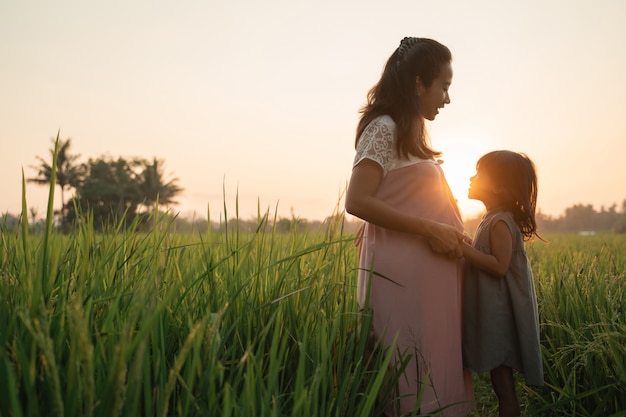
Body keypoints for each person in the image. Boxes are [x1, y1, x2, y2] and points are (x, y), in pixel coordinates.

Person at [346, 37, 474, 416]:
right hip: (403, 282)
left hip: (427, 280)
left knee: (432, 370)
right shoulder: (383, 127)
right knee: (409, 378)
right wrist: (430, 229)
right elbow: (357, 200)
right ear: (419, 83)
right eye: (444, 87)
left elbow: (390, 196)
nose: (447, 99)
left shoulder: (411, 132)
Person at [461, 150, 544, 417]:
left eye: (479, 173)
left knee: (503, 385)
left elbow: (499, 265)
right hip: (495, 308)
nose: (472, 178)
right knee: (500, 382)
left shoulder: (499, 222)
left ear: (498, 185)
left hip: (501, 314)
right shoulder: (491, 218)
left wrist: (462, 249)